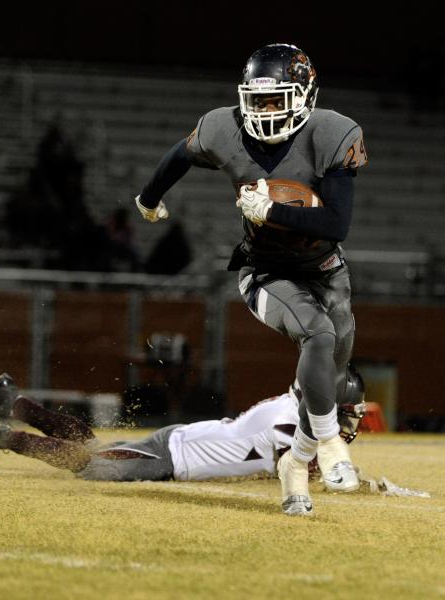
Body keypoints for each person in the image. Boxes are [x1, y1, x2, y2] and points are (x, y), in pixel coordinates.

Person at [133, 43, 368, 515]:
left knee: (330, 377)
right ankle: (329, 446)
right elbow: (180, 154)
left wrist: (272, 211)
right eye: (256, 99)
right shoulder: (225, 128)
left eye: (275, 99)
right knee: (317, 336)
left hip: (326, 270)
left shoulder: (332, 133)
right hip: (265, 271)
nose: (263, 110)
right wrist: (148, 196)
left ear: (305, 96)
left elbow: (337, 225)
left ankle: (295, 465)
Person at [0, 369, 365, 484]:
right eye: (345, 412)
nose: (347, 422)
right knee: (85, 461)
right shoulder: (287, 423)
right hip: (168, 457)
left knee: (91, 446)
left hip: (175, 448)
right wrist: (363, 484)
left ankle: (13, 401)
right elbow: (314, 474)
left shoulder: (288, 409)